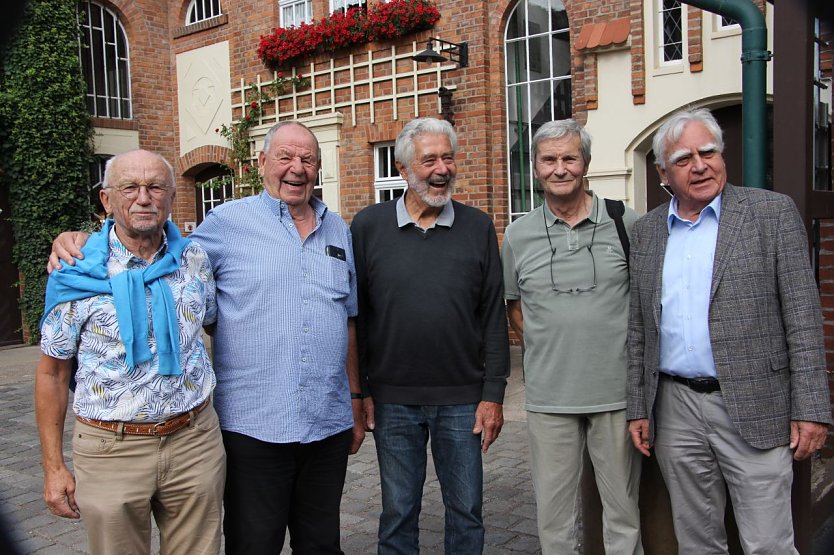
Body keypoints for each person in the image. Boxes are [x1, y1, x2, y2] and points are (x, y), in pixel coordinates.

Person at [48, 121, 365, 554]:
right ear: (262, 163)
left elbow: (345, 317)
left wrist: (354, 397)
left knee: (322, 543)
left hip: (324, 421)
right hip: (252, 425)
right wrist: (81, 240)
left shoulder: (338, 230)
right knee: (253, 544)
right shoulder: (224, 224)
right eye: (285, 158)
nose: (297, 168)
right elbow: (145, 239)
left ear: (319, 167)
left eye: (308, 159)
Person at [627, 107, 831, 553]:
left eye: (708, 152)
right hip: (675, 408)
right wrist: (637, 407)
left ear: (722, 155)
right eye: (684, 159)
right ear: (663, 171)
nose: (699, 165)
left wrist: (812, 408)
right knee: (698, 541)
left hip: (755, 404)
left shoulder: (771, 214)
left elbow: (802, 316)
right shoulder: (647, 233)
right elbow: (640, 327)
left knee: (768, 543)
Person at [36, 149, 225, 554]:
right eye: (130, 187)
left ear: (171, 196)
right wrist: (53, 468)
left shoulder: (194, 259)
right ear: (106, 200)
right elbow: (52, 374)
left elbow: (211, 321)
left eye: (156, 187)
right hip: (110, 450)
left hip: (194, 442)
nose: (144, 197)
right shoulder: (76, 269)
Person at [351, 117, 510, 554]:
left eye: (448, 157)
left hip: (463, 400)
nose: (442, 168)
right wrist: (360, 391)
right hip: (392, 400)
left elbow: (492, 315)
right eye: (429, 160)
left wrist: (493, 393)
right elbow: (357, 317)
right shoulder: (367, 227)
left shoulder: (478, 227)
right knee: (398, 513)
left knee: (467, 513)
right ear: (403, 169)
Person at [502, 119, 643, 554]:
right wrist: (554, 348)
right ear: (536, 167)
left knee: (623, 515)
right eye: (549, 160)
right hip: (549, 399)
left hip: (616, 396)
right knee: (555, 519)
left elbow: (645, 304)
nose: (560, 168)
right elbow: (515, 310)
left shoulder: (626, 223)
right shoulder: (517, 235)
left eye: (569, 157)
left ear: (585, 163)